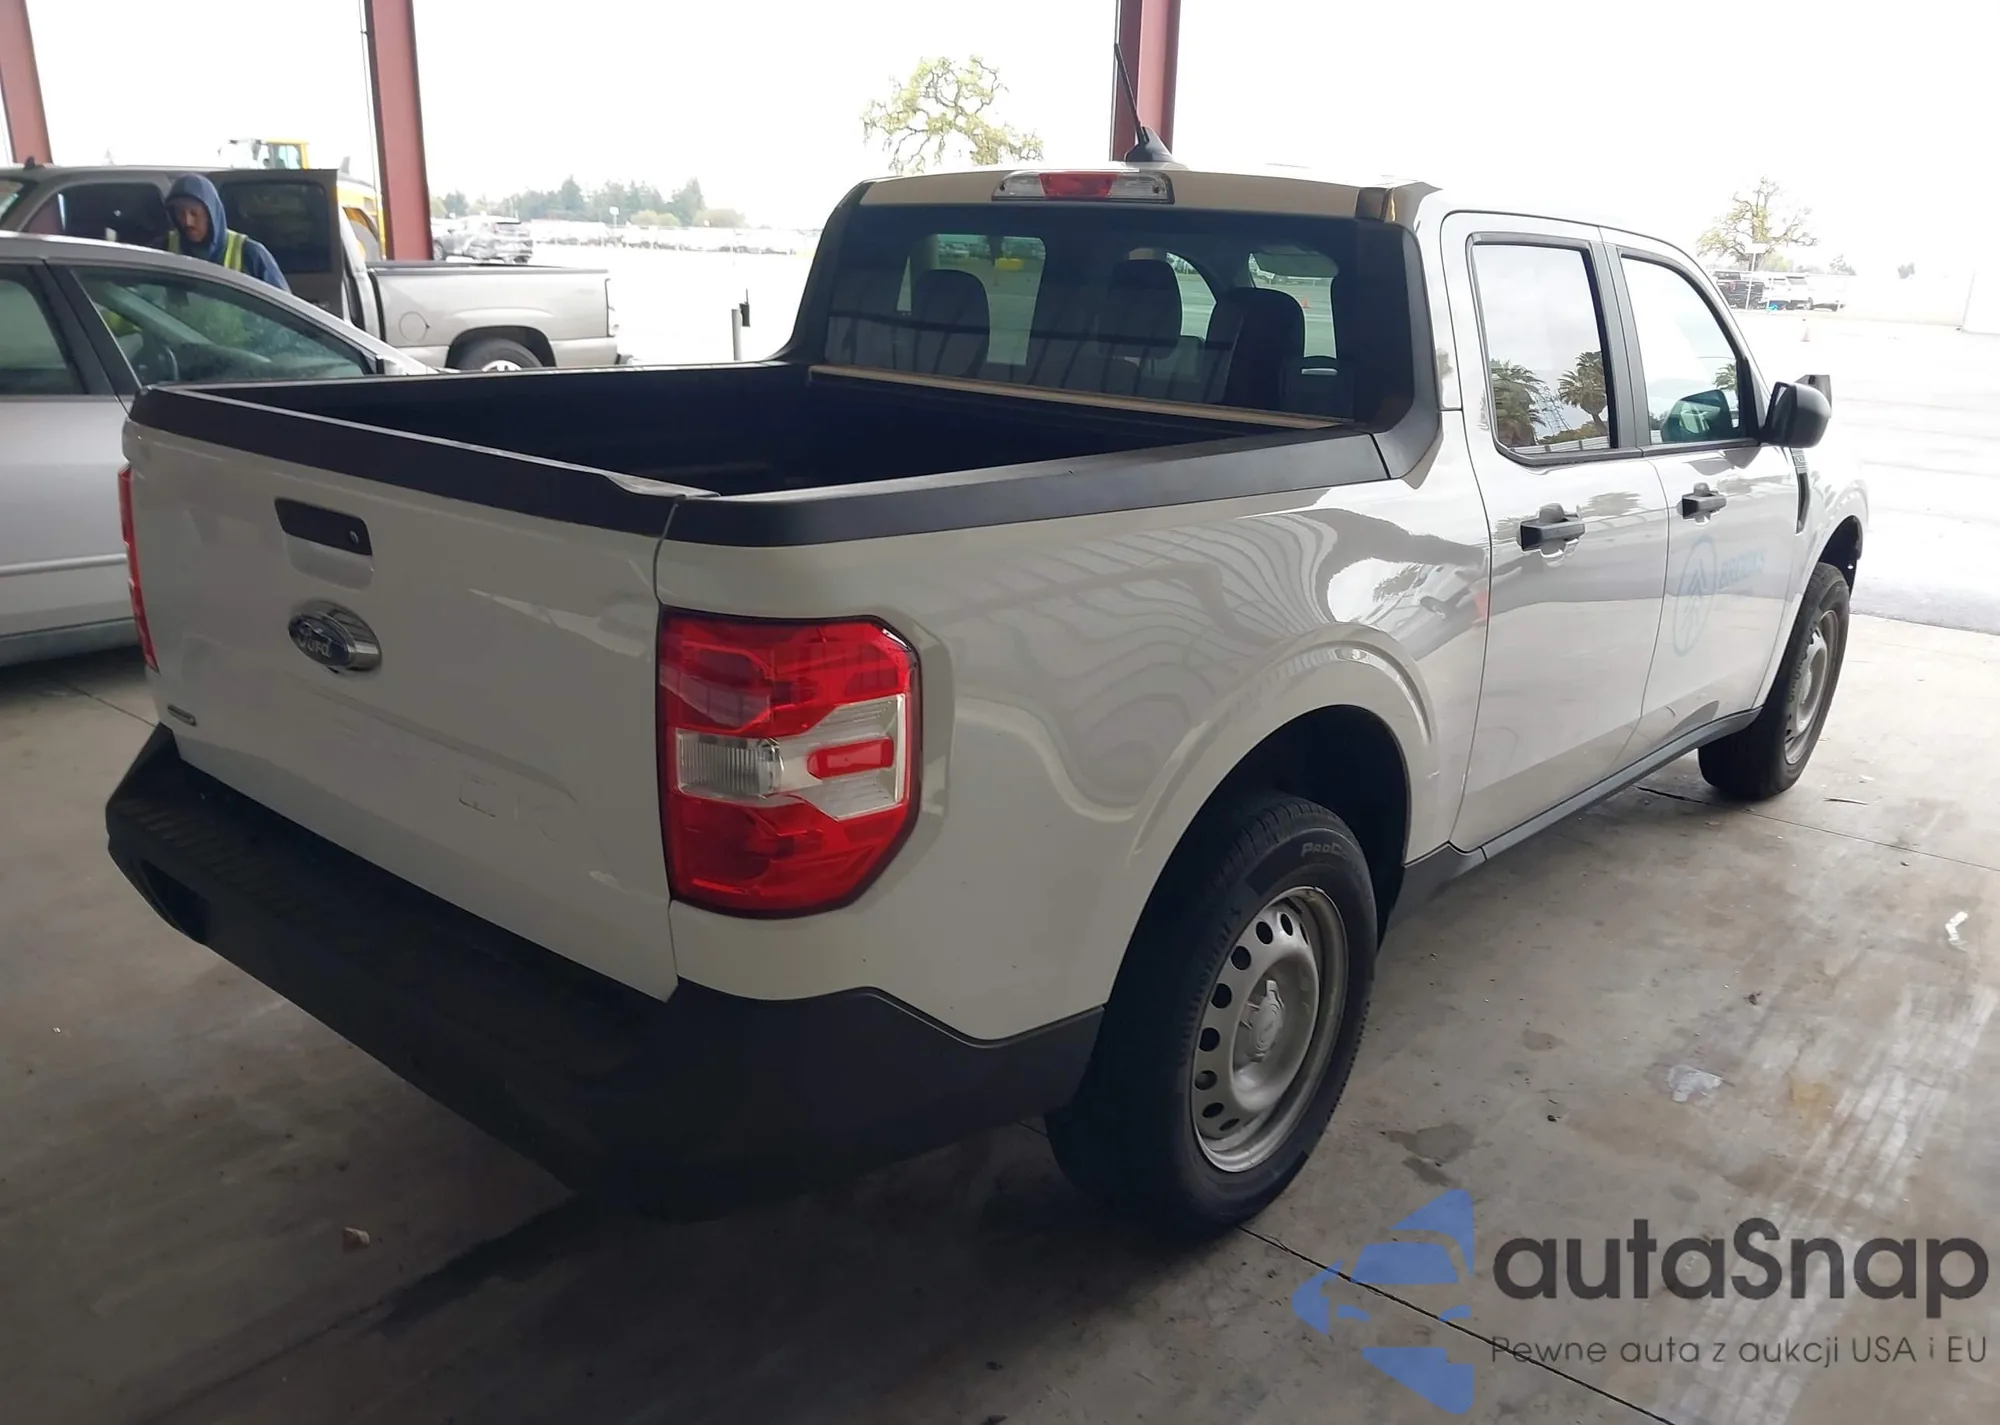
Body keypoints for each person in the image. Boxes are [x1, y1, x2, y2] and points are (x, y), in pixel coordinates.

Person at [163, 174, 288, 290]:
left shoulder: (251, 255)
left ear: (211, 213)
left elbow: (281, 303)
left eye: (194, 213)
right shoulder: (165, 247)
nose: (187, 222)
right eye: (179, 212)